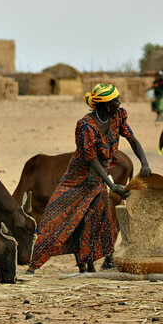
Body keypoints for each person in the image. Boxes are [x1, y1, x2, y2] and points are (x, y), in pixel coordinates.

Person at [29, 83, 152, 273]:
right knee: (54, 218)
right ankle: (33, 266)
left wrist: (145, 163)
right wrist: (112, 185)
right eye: (116, 100)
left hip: (97, 180)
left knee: (95, 222)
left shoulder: (118, 117)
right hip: (76, 180)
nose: (119, 103)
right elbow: (92, 159)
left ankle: (90, 266)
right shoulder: (85, 126)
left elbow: (132, 140)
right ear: (105, 104)